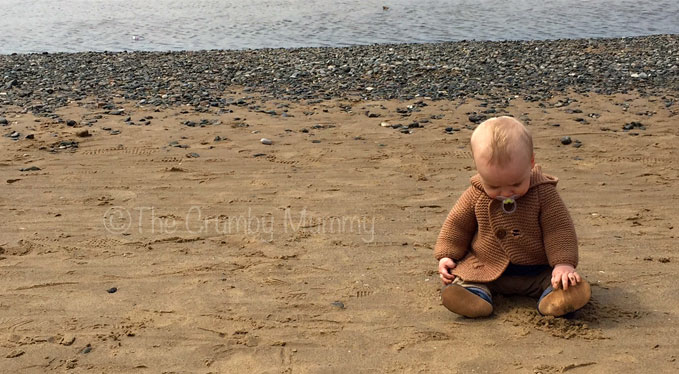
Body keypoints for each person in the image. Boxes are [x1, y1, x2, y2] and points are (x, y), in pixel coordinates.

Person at [434, 116, 591, 318]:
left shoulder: (543, 193)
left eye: (516, 184)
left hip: (537, 270)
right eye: (494, 186)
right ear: (478, 171)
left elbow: (559, 229)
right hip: (486, 267)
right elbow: (457, 225)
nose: (506, 193)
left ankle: (555, 299)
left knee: (562, 281)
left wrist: (563, 263)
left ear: (531, 163)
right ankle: (472, 296)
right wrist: (447, 254)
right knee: (467, 279)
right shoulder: (475, 193)